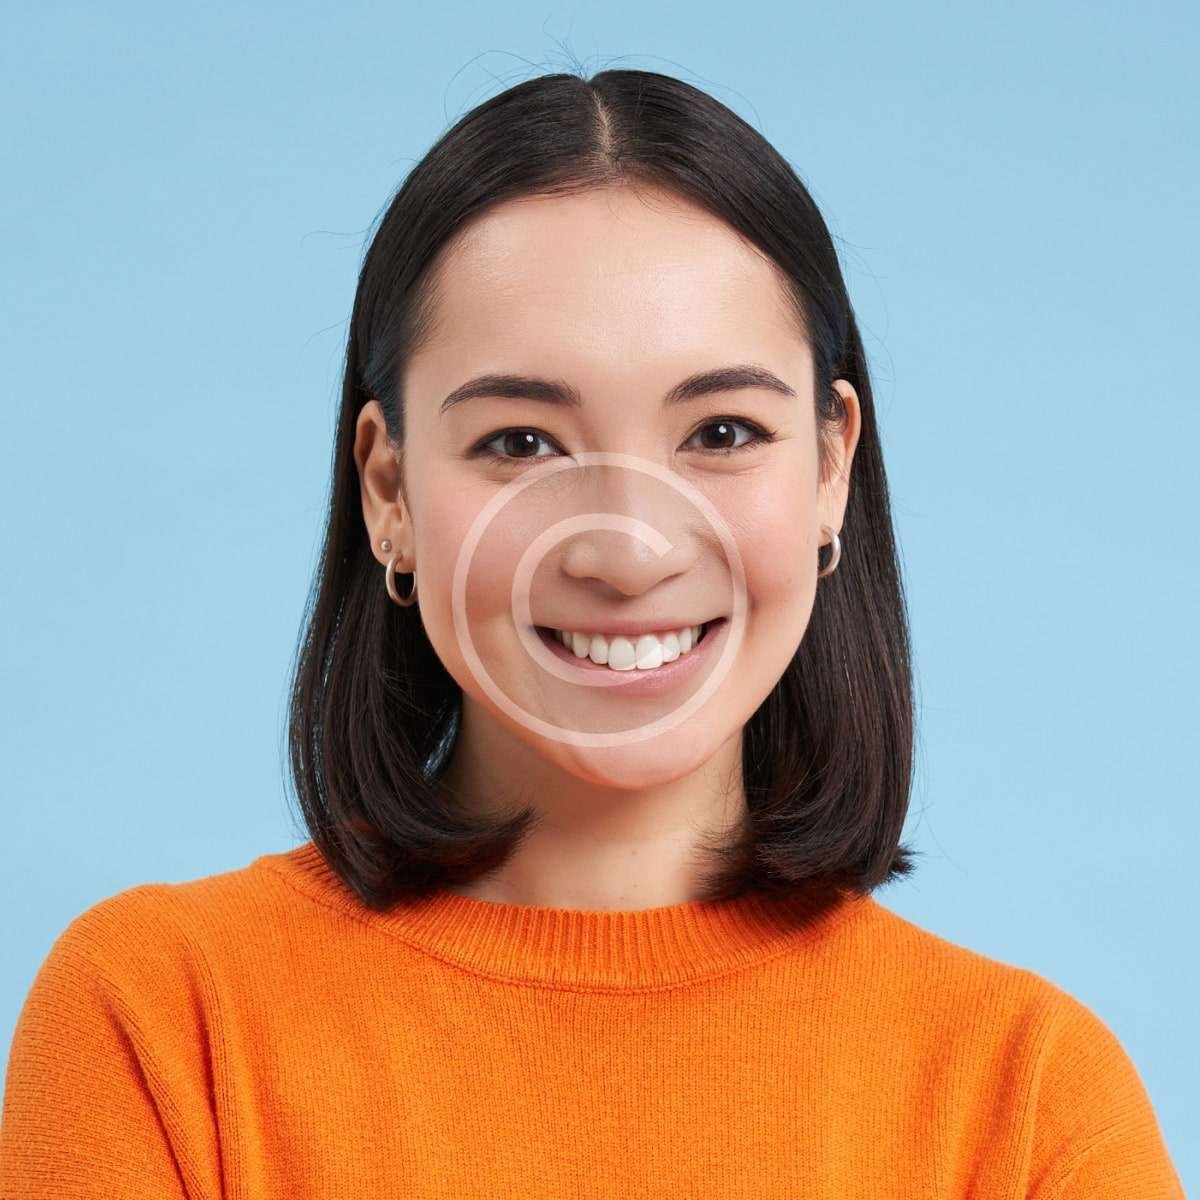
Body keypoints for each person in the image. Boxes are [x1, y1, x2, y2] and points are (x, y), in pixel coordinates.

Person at [0, 68, 1184, 1198]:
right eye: (521, 443)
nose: (629, 549)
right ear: (390, 494)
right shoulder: (161, 1019)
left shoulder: (1027, 1094)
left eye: (722, 433)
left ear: (829, 472)